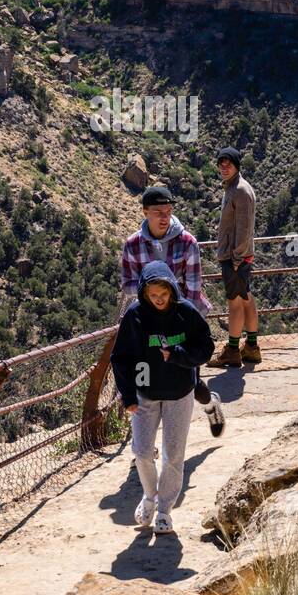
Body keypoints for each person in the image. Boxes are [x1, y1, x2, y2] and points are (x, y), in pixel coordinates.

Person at [111, 260, 215, 534]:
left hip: (179, 393)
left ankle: (165, 510)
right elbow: (120, 358)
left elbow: (206, 347)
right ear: (144, 293)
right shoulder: (135, 316)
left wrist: (180, 355)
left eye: (164, 294)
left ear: (172, 290)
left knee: (173, 455)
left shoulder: (187, 313)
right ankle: (149, 496)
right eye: (153, 295)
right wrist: (128, 396)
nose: (159, 300)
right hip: (145, 394)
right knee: (142, 452)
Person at [119, 184, 225, 435]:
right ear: (145, 212)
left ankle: (211, 404)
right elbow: (128, 285)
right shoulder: (132, 245)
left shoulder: (187, 242)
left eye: (168, 211)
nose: (164, 217)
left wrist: (167, 300)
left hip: (181, 322)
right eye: (158, 212)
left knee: (191, 382)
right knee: (144, 385)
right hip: (147, 326)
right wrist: (155, 290)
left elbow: (193, 288)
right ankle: (143, 449)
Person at [208, 147, 260, 368]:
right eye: (221, 162)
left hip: (235, 257)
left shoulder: (240, 190)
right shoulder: (233, 188)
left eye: (228, 163)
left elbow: (245, 228)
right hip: (238, 256)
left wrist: (237, 258)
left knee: (235, 303)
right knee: (245, 297)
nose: (224, 166)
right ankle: (251, 347)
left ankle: (232, 350)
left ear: (237, 165)